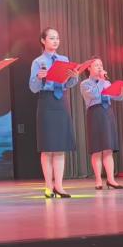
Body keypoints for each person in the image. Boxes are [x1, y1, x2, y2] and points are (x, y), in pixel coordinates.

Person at [29, 28, 79, 198]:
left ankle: (59, 186)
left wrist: (74, 77)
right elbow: (33, 87)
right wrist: (39, 77)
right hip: (46, 101)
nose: (55, 41)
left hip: (61, 101)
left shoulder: (64, 59)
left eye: (57, 38)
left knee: (60, 147)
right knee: (47, 147)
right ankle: (48, 186)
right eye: (51, 38)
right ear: (43, 41)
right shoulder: (38, 62)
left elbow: (68, 84)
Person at [80, 58, 123, 190]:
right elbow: (95, 95)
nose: (100, 67)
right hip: (95, 113)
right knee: (97, 149)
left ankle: (111, 180)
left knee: (108, 149)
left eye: (101, 65)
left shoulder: (106, 82)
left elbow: (116, 97)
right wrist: (101, 81)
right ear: (89, 68)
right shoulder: (85, 84)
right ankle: (98, 180)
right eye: (96, 65)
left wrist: (122, 93)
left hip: (107, 113)